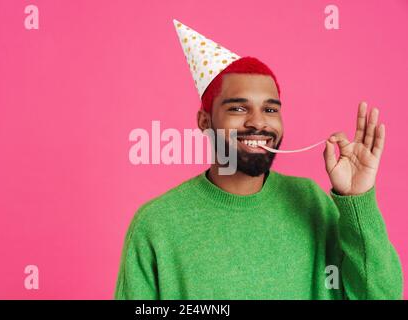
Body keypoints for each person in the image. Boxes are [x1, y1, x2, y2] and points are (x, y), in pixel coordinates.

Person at [114, 20, 403, 300]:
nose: (258, 123)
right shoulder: (156, 225)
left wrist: (358, 200)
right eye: (238, 108)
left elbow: (382, 295)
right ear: (204, 121)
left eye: (270, 109)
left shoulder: (312, 201)